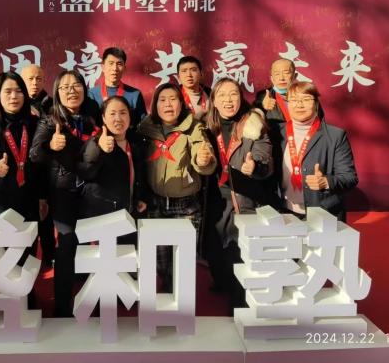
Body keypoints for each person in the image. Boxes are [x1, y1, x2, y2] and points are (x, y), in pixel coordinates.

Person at [29, 70, 101, 317]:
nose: (72, 91)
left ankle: (95, 302)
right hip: (63, 192)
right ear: (57, 92)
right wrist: (50, 145)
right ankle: (62, 307)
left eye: (77, 85)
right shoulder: (50, 120)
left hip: (92, 190)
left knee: (93, 244)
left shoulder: (93, 116)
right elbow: (35, 154)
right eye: (65, 87)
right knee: (67, 244)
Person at [137, 82, 216, 291]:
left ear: (181, 103)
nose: (168, 104)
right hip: (156, 204)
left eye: (173, 99)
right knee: (161, 260)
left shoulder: (194, 128)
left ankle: (179, 297)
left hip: (186, 206)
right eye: (162, 100)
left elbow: (203, 154)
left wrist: (203, 159)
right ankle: (168, 291)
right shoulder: (145, 129)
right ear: (155, 105)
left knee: (182, 260)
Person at [203, 77, 273, 311]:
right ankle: (223, 282)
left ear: (241, 98)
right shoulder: (204, 127)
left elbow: (265, 158)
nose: (228, 100)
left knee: (238, 250)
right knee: (215, 247)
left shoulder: (254, 124)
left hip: (243, 197)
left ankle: (239, 304)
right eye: (222, 95)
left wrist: (256, 167)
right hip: (213, 196)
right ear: (214, 100)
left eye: (233, 94)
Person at [273, 81, 358, 221]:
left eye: (306, 99)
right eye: (294, 100)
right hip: (283, 212)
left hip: (322, 214)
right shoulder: (275, 132)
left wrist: (326, 181)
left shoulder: (335, 136)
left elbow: (349, 178)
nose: (299, 105)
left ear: (316, 103)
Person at [0, 72, 47, 223]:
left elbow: (41, 165)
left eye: (19, 91)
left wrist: (42, 196)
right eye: (8, 91)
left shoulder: (34, 124)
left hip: (28, 196)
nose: (14, 97)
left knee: (30, 237)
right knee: (8, 235)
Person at [79, 96, 148, 223]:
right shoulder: (95, 142)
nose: (118, 118)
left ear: (129, 116)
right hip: (103, 217)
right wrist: (100, 150)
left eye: (123, 113)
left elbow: (138, 174)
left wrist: (139, 197)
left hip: (128, 212)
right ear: (104, 118)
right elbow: (86, 173)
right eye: (112, 114)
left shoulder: (135, 142)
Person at [20, 63, 56, 263]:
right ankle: (30, 260)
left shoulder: (51, 105)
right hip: (22, 169)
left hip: (46, 168)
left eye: (38, 79)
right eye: (30, 79)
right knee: (27, 220)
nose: (34, 83)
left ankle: (50, 257)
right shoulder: (16, 103)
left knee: (46, 218)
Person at [89, 47, 147, 126]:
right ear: (103, 67)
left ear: (124, 68)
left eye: (119, 64)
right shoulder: (91, 94)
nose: (115, 68)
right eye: (111, 63)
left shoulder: (135, 94)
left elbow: (142, 126)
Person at [253, 58, 296, 129]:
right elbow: (251, 121)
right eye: (277, 74)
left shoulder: (306, 95)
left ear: (295, 76)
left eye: (286, 73)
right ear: (272, 78)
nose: (281, 78)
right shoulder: (263, 97)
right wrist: (262, 107)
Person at [176, 56, 211, 121]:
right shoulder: (174, 96)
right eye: (184, 71)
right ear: (178, 76)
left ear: (201, 73)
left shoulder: (212, 94)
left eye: (193, 70)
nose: (189, 75)